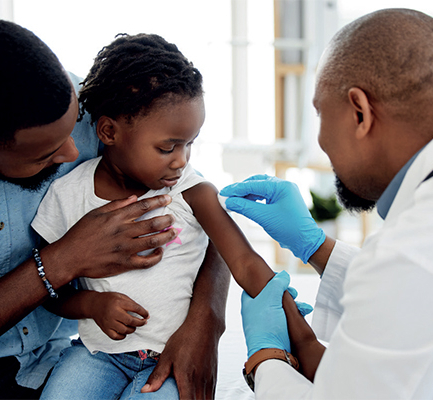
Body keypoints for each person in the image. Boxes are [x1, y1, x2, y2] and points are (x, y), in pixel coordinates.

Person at [0, 19, 230, 400]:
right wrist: (63, 261)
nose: (74, 153)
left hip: (59, 359)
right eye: (46, 156)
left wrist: (207, 319)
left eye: (76, 127)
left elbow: (203, 207)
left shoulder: (88, 105)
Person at [31, 33, 316, 399]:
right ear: (109, 131)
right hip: (97, 355)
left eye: (190, 144)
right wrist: (91, 304)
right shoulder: (67, 195)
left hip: (171, 358)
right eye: (167, 147)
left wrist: (304, 341)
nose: (181, 160)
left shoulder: (192, 190)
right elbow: (47, 287)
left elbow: (244, 262)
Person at [220, 7, 433, 399]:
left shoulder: (407, 255)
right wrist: (317, 248)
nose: (319, 140)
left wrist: (265, 358)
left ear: (359, 113)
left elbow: (402, 278)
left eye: (319, 114)